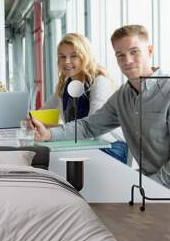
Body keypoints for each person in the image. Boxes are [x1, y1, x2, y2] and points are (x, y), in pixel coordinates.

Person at [31, 24, 170, 188]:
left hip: (157, 184)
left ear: (150, 51)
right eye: (120, 55)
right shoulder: (122, 97)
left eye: (134, 52)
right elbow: (88, 126)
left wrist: (150, 186)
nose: (127, 60)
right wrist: (48, 134)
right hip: (149, 182)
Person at [41, 33, 127, 163]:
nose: (67, 61)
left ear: (85, 57)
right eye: (62, 57)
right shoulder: (65, 86)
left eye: (73, 56)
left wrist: (51, 130)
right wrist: (33, 122)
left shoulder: (99, 82)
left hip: (108, 148)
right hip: (82, 145)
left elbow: (93, 128)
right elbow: (42, 114)